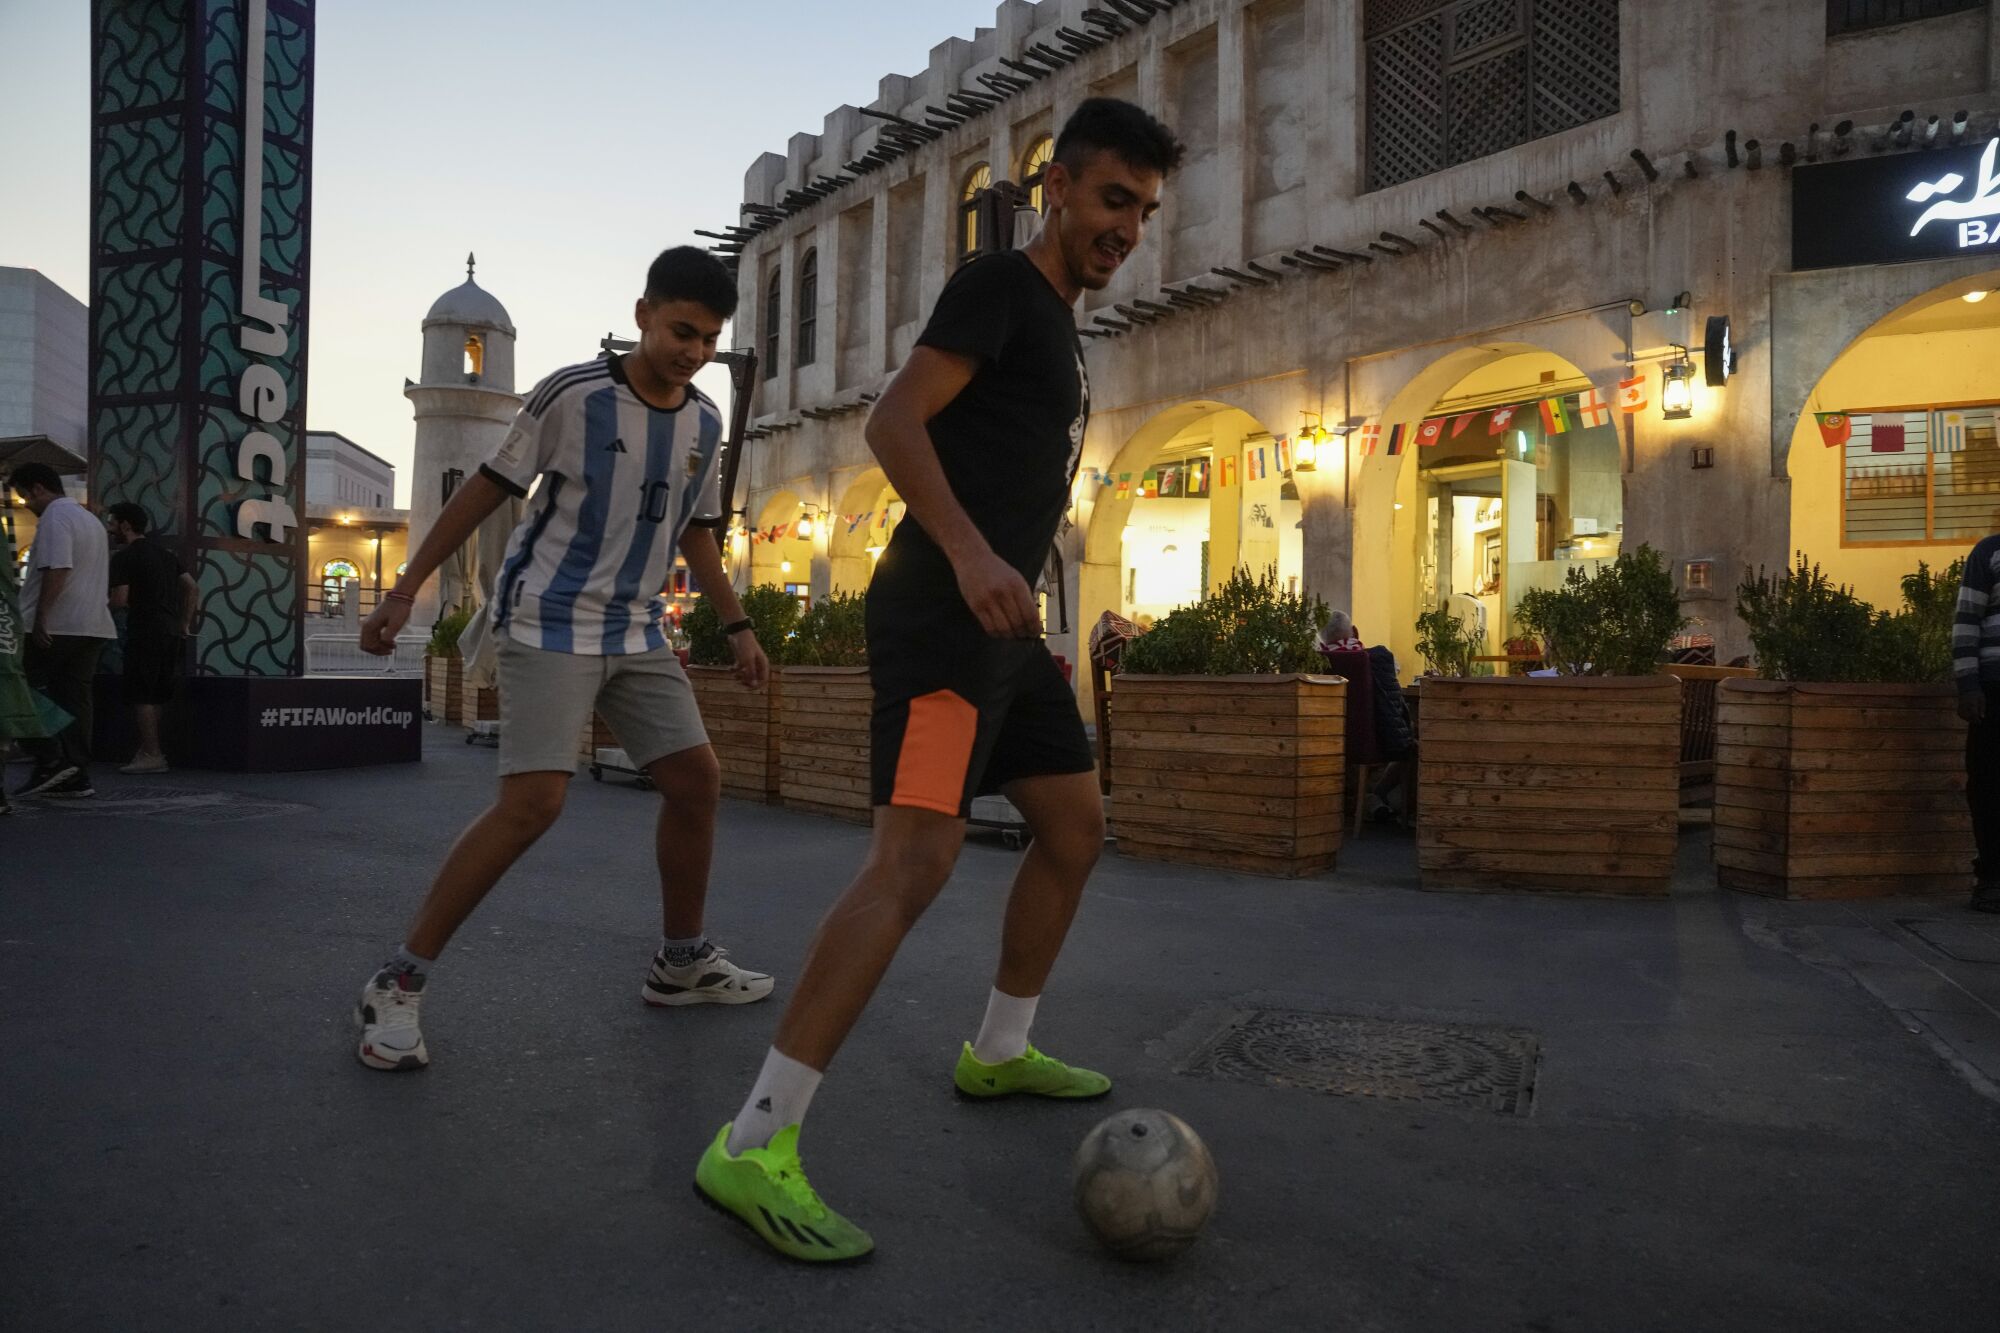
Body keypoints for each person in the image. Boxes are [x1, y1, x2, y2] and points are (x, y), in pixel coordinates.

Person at [694, 98, 1184, 1263]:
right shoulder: (996, 287)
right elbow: (892, 421)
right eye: (1113, 199)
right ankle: (753, 1142)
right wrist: (970, 557)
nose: (1127, 228)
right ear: (1055, 184)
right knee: (909, 865)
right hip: (943, 625)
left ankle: (1000, 1048)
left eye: (1145, 212)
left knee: (1072, 827)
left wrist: (1026, 599)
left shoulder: (1060, 326)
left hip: (1007, 636)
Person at [350, 246, 773, 1071]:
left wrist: (739, 623)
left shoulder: (706, 420)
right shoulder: (572, 395)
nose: (693, 351)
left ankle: (681, 962)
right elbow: (483, 490)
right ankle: (397, 981)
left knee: (697, 781)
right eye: (682, 329)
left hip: (638, 628)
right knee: (532, 804)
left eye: (710, 339)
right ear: (645, 311)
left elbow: (696, 528)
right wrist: (405, 588)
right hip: (547, 619)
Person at [8, 463, 116, 800]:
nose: (26, 504)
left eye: (25, 497)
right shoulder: (91, 521)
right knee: (75, 698)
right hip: (93, 624)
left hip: (58, 624)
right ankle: (75, 770)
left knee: (15, 689)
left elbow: (58, 567)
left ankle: (49, 756)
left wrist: (41, 618)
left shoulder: (55, 517)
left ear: (38, 488)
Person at [105, 503, 197, 774]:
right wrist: (184, 621)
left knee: (141, 694)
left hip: (144, 630)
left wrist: (99, 609)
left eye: (112, 523)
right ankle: (148, 749)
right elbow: (191, 586)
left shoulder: (124, 557)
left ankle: (152, 753)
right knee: (157, 694)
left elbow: (120, 599)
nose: (110, 529)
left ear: (125, 525)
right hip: (170, 631)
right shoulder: (166, 555)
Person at [1953, 533, 2000, 913]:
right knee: (1988, 785)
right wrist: (1968, 685)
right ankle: (1991, 880)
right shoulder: (1989, 552)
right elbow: (1967, 620)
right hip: (1995, 690)